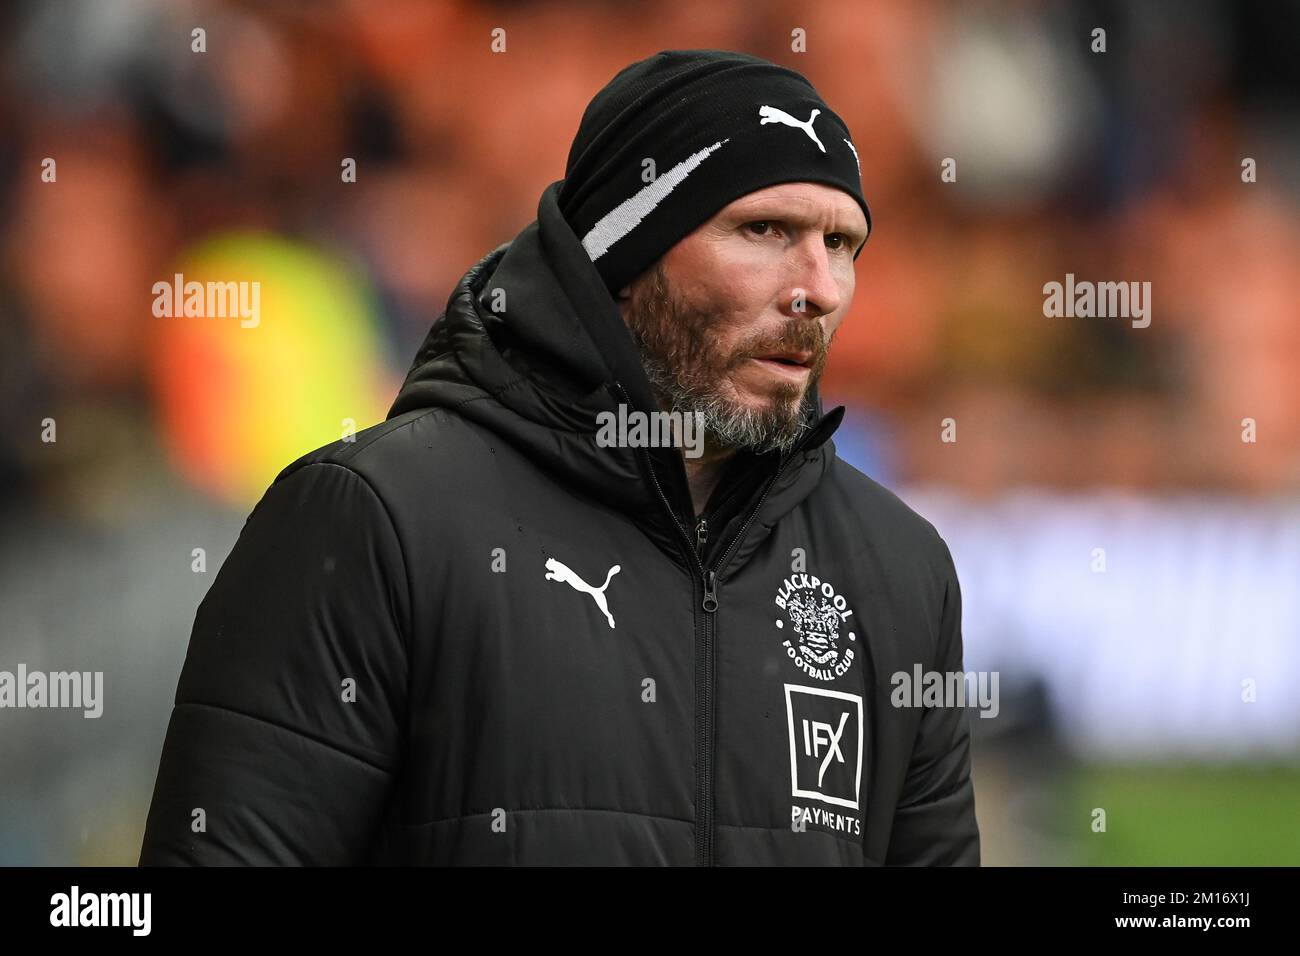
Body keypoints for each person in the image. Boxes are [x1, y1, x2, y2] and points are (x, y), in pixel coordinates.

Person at [140, 49, 979, 866]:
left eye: (841, 243)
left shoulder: (898, 571)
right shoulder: (377, 521)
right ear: (621, 257)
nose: (819, 289)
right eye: (763, 229)